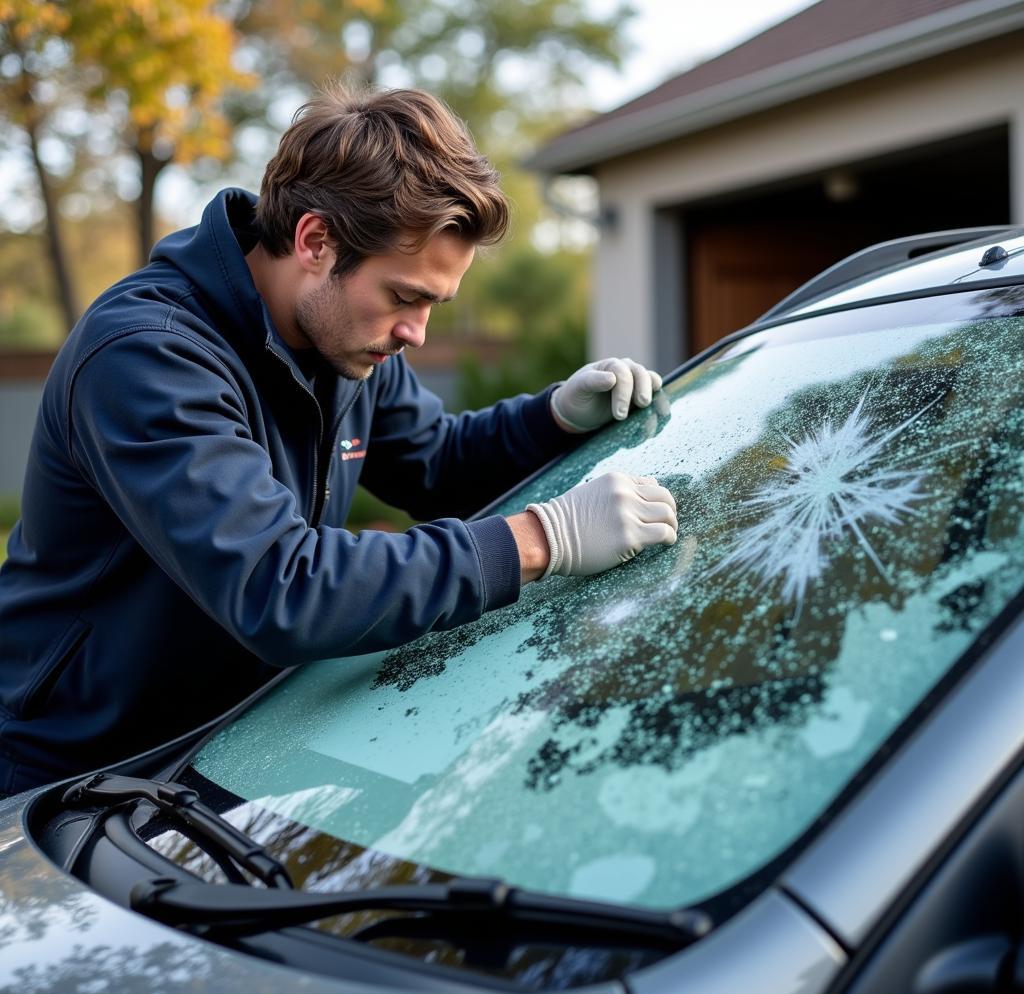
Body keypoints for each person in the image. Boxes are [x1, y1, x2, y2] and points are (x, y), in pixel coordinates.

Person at [0, 85, 677, 794]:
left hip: (227, 754)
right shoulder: (146, 357)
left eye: (432, 304)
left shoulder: (344, 342)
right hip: (69, 781)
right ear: (316, 241)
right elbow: (280, 588)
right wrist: (545, 539)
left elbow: (436, 464)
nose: (416, 333)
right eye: (404, 296)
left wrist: (555, 418)